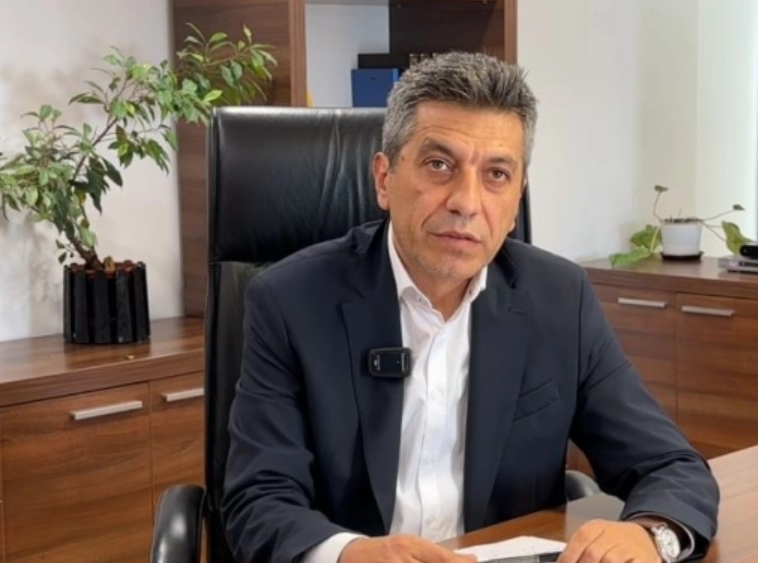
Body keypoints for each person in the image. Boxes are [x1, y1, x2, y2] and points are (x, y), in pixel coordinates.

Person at [221, 51, 720, 563]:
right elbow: (258, 500)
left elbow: (671, 466)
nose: (466, 201)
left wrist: (652, 535)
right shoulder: (290, 301)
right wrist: (349, 554)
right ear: (384, 179)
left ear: (517, 198)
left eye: (496, 174)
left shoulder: (559, 299)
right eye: (439, 165)